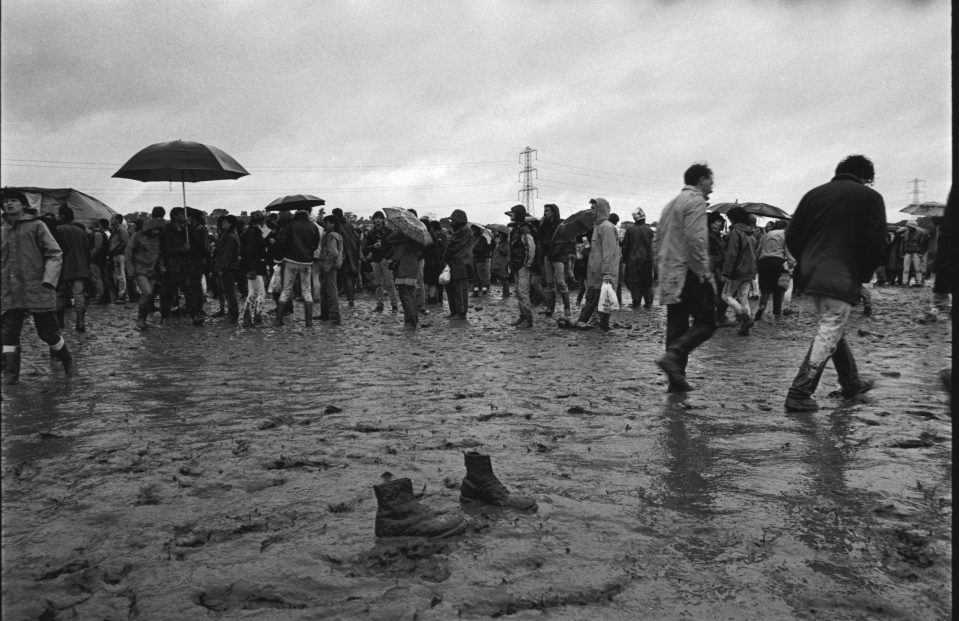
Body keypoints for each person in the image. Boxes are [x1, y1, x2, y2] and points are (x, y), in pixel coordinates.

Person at [783, 154, 885, 412]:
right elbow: (875, 242)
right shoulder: (870, 197)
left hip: (814, 271)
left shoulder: (813, 195)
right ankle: (799, 392)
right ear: (865, 176)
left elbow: (792, 235)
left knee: (833, 326)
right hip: (843, 272)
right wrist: (863, 274)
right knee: (830, 328)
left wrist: (808, 260)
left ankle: (851, 384)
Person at [1, 188, 78, 383]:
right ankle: (11, 376)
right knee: (9, 333)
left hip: (37, 287)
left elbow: (54, 253)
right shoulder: (2, 229)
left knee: (47, 332)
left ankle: (67, 360)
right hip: (10, 291)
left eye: (14, 201)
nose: (9, 204)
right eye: (6, 201)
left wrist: (49, 280)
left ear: (23, 204)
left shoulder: (37, 226)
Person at [653, 163, 716, 392]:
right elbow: (695, 239)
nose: (712, 187)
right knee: (707, 322)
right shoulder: (696, 201)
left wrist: (660, 268)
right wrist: (704, 272)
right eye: (710, 182)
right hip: (687, 270)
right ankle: (675, 358)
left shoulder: (670, 205)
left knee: (676, 327)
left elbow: (657, 240)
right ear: (701, 180)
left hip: (669, 271)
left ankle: (675, 381)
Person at [574, 198, 620, 332]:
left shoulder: (606, 227)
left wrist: (606, 272)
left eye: (594, 208)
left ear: (601, 210)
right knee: (597, 297)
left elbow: (609, 251)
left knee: (600, 297)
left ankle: (588, 321)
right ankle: (600, 323)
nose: (591, 211)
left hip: (603, 270)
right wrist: (586, 249)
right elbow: (598, 251)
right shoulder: (597, 227)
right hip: (595, 269)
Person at [275, 209, 320, 326]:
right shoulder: (313, 226)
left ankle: (279, 320)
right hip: (306, 262)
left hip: (290, 261)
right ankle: (308, 322)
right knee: (306, 291)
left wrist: (280, 256)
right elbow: (315, 245)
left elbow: (281, 241)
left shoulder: (289, 225)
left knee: (286, 289)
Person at [53, 205, 91, 333]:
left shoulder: (58, 229)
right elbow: (87, 251)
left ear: (62, 215)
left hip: (63, 267)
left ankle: (59, 322)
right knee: (79, 295)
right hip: (80, 268)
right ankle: (80, 322)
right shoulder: (81, 231)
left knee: (60, 295)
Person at [125, 217, 164, 330]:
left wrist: (161, 267)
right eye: (154, 229)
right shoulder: (137, 236)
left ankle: (143, 319)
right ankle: (140, 319)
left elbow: (161, 255)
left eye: (158, 230)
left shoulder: (158, 239)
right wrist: (130, 271)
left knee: (149, 295)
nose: (156, 232)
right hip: (140, 269)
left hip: (152, 271)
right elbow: (128, 253)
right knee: (147, 292)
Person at [754, 220, 795, 321]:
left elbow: (758, 251)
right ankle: (777, 314)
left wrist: (756, 262)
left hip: (763, 263)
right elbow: (787, 251)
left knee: (765, 289)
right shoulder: (784, 235)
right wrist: (793, 261)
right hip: (778, 263)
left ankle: (761, 307)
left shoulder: (766, 235)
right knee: (778, 290)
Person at [506, 204, 537, 328]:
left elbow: (531, 247)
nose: (511, 215)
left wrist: (527, 263)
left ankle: (528, 319)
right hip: (517, 265)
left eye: (513, 213)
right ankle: (523, 316)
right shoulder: (518, 228)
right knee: (519, 292)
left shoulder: (524, 229)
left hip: (522, 265)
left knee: (523, 292)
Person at [387, 228, 424, 329]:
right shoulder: (415, 239)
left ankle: (410, 322)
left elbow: (390, 239)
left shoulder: (402, 240)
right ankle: (414, 320)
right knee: (411, 296)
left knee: (405, 297)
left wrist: (400, 231)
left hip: (403, 270)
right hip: (412, 269)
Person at [621, 207, 655, 310]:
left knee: (634, 282)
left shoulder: (630, 230)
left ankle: (636, 303)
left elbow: (625, 247)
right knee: (647, 282)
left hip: (633, 260)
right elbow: (653, 247)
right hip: (647, 260)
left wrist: (625, 259)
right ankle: (648, 304)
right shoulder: (649, 230)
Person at [365, 211, 398, 313]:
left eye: (380, 218)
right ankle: (379, 304)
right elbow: (366, 247)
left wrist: (387, 257)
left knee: (389, 282)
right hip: (375, 259)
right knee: (377, 283)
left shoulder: (389, 231)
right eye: (375, 218)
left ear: (383, 219)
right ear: (373, 219)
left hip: (386, 259)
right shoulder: (370, 233)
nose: (377, 220)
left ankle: (394, 304)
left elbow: (393, 246)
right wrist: (373, 246)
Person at [240, 211, 269, 327]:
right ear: (260, 220)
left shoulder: (248, 231)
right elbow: (251, 251)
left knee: (252, 293)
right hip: (255, 266)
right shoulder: (254, 232)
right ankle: (257, 318)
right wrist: (253, 268)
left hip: (250, 266)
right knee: (261, 293)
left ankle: (247, 318)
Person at [444, 209, 473, 321]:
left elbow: (453, 246)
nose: (452, 223)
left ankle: (461, 313)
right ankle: (454, 311)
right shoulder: (460, 231)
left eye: (453, 221)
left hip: (461, 264)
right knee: (451, 289)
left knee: (460, 290)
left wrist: (448, 243)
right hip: (455, 264)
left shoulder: (464, 231)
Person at [213, 215, 240, 323]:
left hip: (228, 267)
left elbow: (226, 254)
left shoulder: (229, 236)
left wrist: (221, 267)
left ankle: (233, 314)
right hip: (230, 266)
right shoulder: (232, 234)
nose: (222, 223)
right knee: (229, 291)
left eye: (224, 222)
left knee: (229, 292)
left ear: (230, 223)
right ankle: (232, 313)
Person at [317, 214, 343, 323]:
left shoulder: (331, 235)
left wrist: (325, 265)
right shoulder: (335, 235)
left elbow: (333, 252)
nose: (325, 225)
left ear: (333, 224)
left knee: (331, 291)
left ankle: (334, 315)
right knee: (325, 290)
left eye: (327, 222)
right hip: (332, 265)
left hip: (329, 266)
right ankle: (325, 314)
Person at [107, 214, 129, 303]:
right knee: (118, 275)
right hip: (115, 254)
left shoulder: (121, 230)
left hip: (120, 254)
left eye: (112, 218)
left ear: (118, 220)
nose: (111, 219)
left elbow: (125, 242)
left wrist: (115, 248)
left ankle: (122, 295)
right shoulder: (115, 230)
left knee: (121, 275)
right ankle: (120, 294)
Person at [900, 220, 928, 286]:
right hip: (907, 252)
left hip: (917, 253)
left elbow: (924, 244)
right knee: (905, 269)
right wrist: (902, 253)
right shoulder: (905, 233)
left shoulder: (920, 233)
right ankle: (905, 282)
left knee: (917, 269)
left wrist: (921, 253)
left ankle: (919, 282)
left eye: (910, 226)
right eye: (908, 226)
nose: (909, 227)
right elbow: (903, 244)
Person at [89, 219, 110, 304]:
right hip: (100, 259)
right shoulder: (100, 233)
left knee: (97, 278)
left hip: (96, 260)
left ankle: (99, 297)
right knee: (101, 278)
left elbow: (97, 247)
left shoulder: (97, 234)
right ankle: (103, 296)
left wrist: (90, 256)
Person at [471, 225, 492, 298]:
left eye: (473, 230)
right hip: (474, 259)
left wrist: (474, 249)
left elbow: (484, 250)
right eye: (472, 230)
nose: (472, 232)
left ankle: (484, 290)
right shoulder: (473, 239)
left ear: (477, 231)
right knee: (475, 277)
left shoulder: (483, 239)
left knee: (482, 276)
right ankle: (476, 292)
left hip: (480, 260)